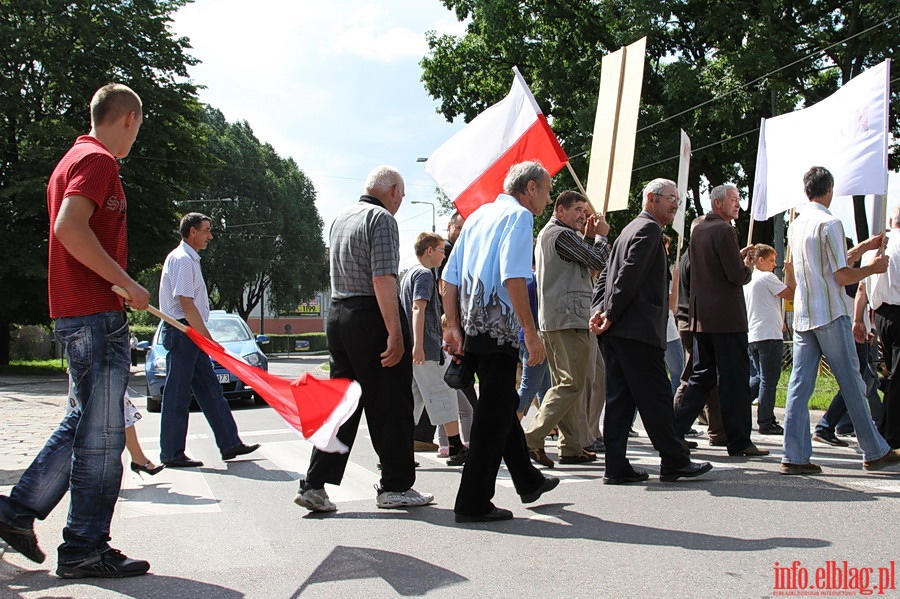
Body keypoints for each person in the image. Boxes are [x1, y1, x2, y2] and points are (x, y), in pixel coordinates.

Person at [0, 84, 150, 578]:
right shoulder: (99, 160)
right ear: (128, 118)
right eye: (138, 126)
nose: (135, 137)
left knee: (84, 424)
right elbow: (69, 227)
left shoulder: (72, 158)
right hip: (94, 315)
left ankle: (15, 513)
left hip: (77, 314)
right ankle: (84, 547)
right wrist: (124, 282)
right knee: (103, 441)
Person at [295, 165, 433, 512]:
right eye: (400, 195)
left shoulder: (341, 217)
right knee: (391, 403)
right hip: (371, 315)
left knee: (342, 406)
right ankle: (396, 486)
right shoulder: (382, 219)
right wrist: (395, 332)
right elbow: (383, 279)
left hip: (339, 314)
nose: (400, 201)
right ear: (393, 191)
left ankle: (314, 484)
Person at [442, 161, 560, 523]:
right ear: (529, 188)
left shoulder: (477, 216)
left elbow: (449, 278)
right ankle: (472, 502)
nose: (548, 198)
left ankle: (527, 480)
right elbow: (513, 277)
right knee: (492, 419)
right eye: (547, 189)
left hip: (474, 330)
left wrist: (453, 327)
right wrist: (529, 330)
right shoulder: (520, 219)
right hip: (500, 331)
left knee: (501, 405)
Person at [590, 178, 712, 484]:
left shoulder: (629, 230)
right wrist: (609, 313)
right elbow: (627, 276)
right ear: (651, 198)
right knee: (656, 398)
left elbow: (607, 274)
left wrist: (599, 311)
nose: (675, 204)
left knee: (620, 401)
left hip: (619, 332)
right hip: (637, 331)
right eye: (670, 198)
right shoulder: (648, 229)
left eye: (678, 200)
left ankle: (616, 466)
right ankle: (674, 460)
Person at [781, 166, 899, 474]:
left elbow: (828, 262)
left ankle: (793, 454)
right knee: (852, 381)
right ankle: (873, 450)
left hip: (805, 315)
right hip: (831, 313)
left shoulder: (797, 224)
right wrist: (873, 268)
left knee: (799, 385)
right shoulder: (830, 221)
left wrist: (864, 248)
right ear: (830, 189)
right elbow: (840, 273)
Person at [158, 213, 260, 468]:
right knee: (178, 395)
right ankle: (171, 452)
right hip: (183, 332)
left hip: (189, 332)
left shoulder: (189, 259)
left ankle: (230, 443)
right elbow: (186, 303)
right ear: (192, 232)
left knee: (211, 391)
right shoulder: (182, 259)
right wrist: (208, 340)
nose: (210, 235)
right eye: (206, 230)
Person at [673, 184, 767, 457]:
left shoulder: (699, 230)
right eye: (733, 200)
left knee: (701, 377)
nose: (738, 205)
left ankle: (674, 429)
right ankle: (739, 441)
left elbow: (711, 269)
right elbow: (736, 276)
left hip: (702, 319)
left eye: (738, 200)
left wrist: (736, 262)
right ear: (718, 204)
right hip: (727, 319)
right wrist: (747, 265)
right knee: (735, 380)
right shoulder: (725, 230)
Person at [525, 190, 609, 467]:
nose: (583, 216)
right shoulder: (560, 235)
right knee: (571, 383)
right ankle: (532, 435)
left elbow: (582, 262)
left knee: (572, 382)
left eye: (584, 212)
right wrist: (602, 237)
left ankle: (571, 447)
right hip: (566, 317)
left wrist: (587, 238)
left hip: (561, 317)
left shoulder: (558, 235)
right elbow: (597, 261)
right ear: (560, 210)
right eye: (577, 210)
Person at [400, 232, 466, 466]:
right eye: (441, 250)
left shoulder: (408, 274)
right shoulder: (425, 275)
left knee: (413, 400)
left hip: (415, 348)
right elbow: (418, 308)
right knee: (443, 393)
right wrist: (419, 345)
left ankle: (397, 452)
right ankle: (456, 446)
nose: (444, 255)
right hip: (425, 349)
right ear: (429, 250)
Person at [744, 243, 795, 435]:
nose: (775, 264)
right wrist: (790, 273)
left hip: (754, 334)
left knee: (758, 377)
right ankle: (766, 420)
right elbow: (789, 292)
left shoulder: (748, 279)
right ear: (761, 260)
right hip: (768, 336)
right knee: (768, 380)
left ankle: (737, 405)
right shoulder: (767, 277)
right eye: (772, 260)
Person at [864, 205, 900, 448]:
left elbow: (863, 286)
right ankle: (891, 433)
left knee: (892, 373)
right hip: (897, 309)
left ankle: (888, 427)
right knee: (897, 376)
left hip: (881, 314)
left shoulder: (877, 246)